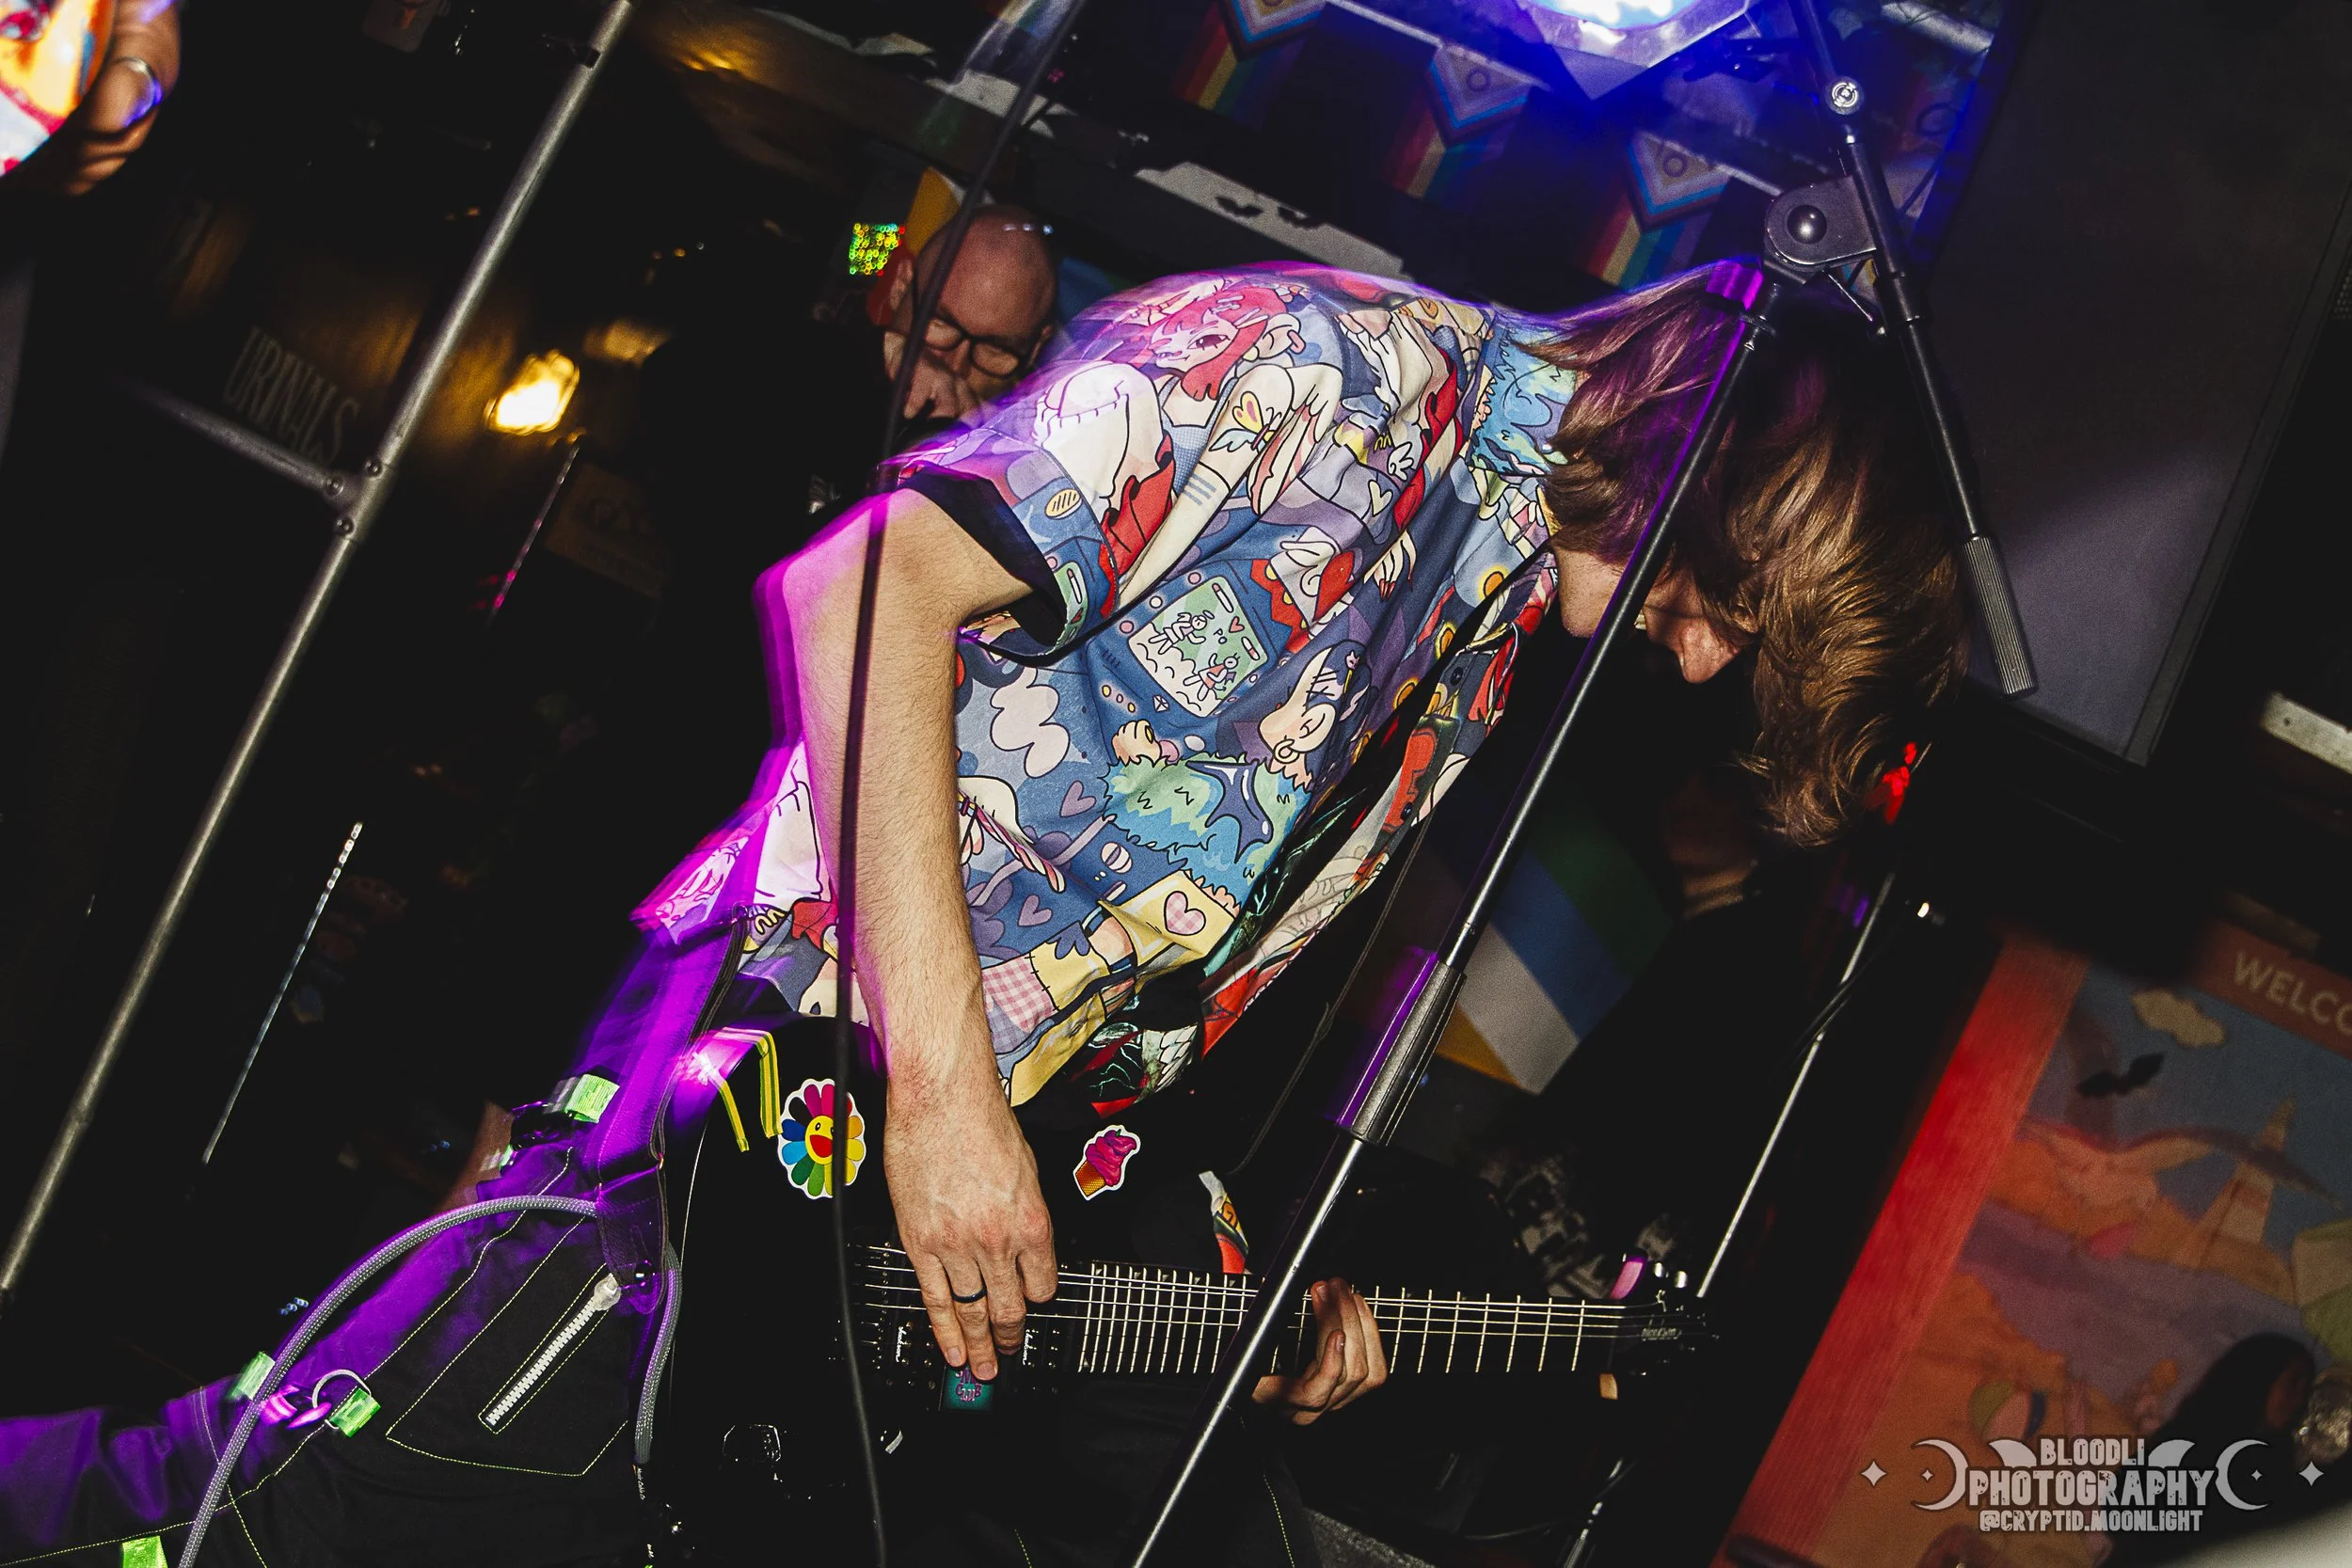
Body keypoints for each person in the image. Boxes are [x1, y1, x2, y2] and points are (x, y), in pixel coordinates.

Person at [0, 258, 1966, 1568]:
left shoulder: (1477, 594)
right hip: (789, 1089)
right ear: (1712, 454)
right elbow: (856, 596)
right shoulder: (1312, 380)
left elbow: (1142, 964)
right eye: (1735, 606)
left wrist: (1211, 1274)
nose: (1705, 672)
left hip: (948, 1177)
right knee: (266, 1514)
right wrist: (941, 1100)